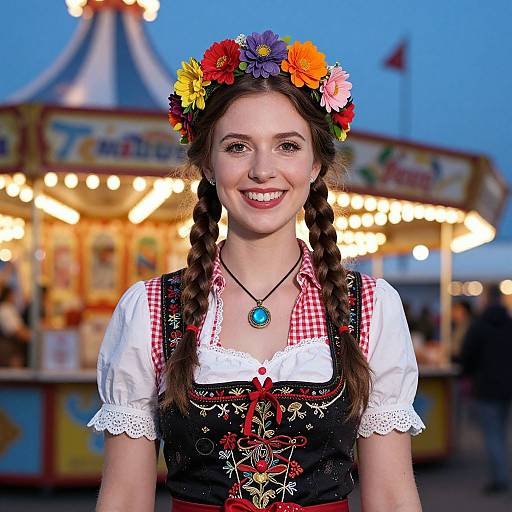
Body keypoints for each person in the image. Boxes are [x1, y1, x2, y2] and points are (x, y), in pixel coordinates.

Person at [88, 30, 425, 511]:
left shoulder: (368, 307)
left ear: (315, 164)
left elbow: (392, 496)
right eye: (238, 146)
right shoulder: (152, 309)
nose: (262, 170)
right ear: (207, 162)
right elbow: (123, 497)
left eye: (287, 146)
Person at [460, 285, 512, 494]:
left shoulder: (479, 325)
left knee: (492, 434)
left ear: (486, 299)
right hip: (507, 386)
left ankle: (500, 478)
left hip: (485, 386)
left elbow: (467, 355)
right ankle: (501, 473)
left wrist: (468, 372)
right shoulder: (509, 324)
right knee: (500, 432)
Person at [0, 285, 31, 367]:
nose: (15, 298)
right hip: (9, 350)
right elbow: (16, 331)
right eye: (14, 295)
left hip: (13, 348)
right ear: (8, 295)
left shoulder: (9, 308)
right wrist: (32, 337)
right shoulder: (5, 309)